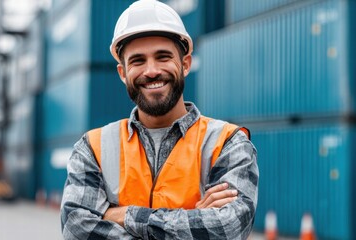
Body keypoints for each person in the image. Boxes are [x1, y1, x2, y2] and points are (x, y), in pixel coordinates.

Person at [60, 0, 259, 239]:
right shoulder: (93, 148)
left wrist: (122, 215)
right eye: (138, 60)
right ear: (123, 73)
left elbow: (228, 228)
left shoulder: (228, 143)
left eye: (163, 57)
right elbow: (76, 227)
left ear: (185, 64)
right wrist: (191, 222)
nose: (151, 70)